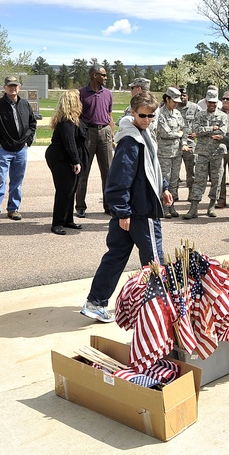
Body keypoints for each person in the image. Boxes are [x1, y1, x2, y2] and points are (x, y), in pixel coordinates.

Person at [81, 91, 172, 323]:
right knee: (154, 260)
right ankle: (157, 308)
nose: (148, 120)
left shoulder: (144, 135)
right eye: (143, 115)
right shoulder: (131, 142)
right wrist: (123, 212)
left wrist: (163, 187)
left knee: (116, 256)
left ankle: (95, 302)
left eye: (152, 115)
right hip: (139, 213)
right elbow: (118, 180)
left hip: (134, 210)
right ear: (132, 112)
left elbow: (151, 168)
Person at [0, 75, 37, 225]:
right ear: (5, 88)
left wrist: (28, 141)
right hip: (4, 150)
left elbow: (32, 124)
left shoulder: (25, 105)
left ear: (19, 87)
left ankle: (13, 209)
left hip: (21, 150)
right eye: (10, 86)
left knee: (17, 181)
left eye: (15, 85)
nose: (13, 88)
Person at [45, 89, 88, 235]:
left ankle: (68, 219)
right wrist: (76, 161)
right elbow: (70, 143)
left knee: (71, 188)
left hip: (65, 157)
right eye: (78, 99)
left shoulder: (73, 119)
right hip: (59, 158)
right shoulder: (66, 121)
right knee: (65, 190)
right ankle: (57, 223)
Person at [76, 66, 114, 219]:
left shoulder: (108, 93)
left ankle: (109, 205)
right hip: (88, 133)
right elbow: (76, 115)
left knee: (108, 172)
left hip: (104, 132)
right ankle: (80, 206)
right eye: (103, 75)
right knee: (83, 171)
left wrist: (112, 133)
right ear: (94, 75)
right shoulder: (81, 93)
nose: (106, 77)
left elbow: (109, 114)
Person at [183, 90, 228, 219]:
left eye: (214, 102)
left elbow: (222, 132)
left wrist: (204, 132)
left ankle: (212, 206)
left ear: (217, 102)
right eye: (209, 102)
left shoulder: (222, 116)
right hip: (202, 152)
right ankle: (193, 208)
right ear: (206, 102)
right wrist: (212, 129)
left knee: (216, 180)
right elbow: (195, 130)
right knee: (199, 179)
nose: (212, 104)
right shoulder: (200, 114)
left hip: (217, 152)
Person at [155, 87, 186, 217]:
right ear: (167, 99)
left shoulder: (177, 113)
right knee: (165, 180)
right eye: (174, 101)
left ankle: (171, 206)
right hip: (164, 153)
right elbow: (165, 133)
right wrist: (178, 134)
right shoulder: (160, 113)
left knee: (174, 181)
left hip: (177, 153)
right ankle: (164, 207)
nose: (176, 104)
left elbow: (184, 130)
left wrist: (183, 141)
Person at [176, 87, 196, 190]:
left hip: (189, 143)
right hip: (175, 143)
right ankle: (173, 195)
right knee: (174, 171)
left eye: (184, 95)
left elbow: (203, 120)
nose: (182, 97)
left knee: (191, 170)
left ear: (187, 96)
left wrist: (196, 132)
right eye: (180, 95)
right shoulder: (173, 107)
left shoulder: (194, 107)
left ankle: (192, 193)